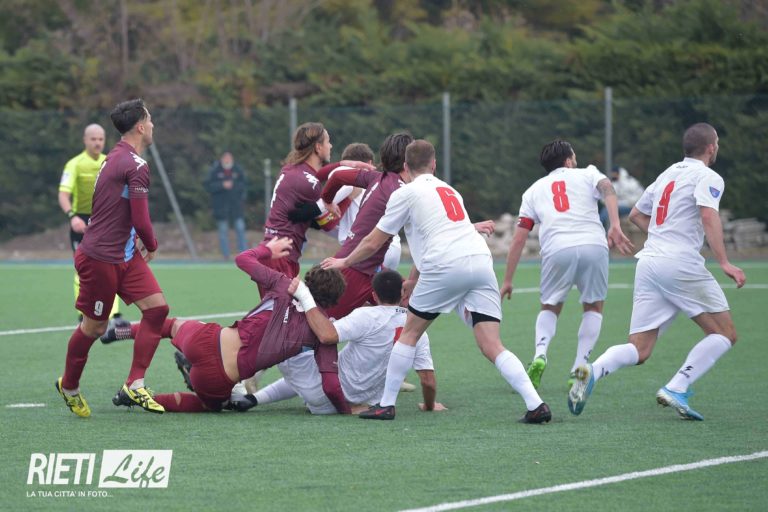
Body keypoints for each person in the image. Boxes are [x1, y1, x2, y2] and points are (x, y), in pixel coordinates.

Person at [322, 140, 551, 423]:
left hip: (444, 264)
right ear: (434, 164)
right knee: (492, 344)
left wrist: (344, 262)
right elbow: (434, 237)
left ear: (405, 166)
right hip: (481, 260)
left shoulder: (405, 193)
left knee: (409, 334)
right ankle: (535, 404)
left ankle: (386, 405)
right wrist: (413, 280)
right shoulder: (449, 190)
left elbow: (373, 241)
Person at [568, 123, 746, 420]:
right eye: (717, 143)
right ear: (711, 147)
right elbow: (708, 215)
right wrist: (724, 262)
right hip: (679, 263)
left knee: (639, 349)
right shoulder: (708, 176)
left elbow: (636, 214)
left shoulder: (667, 174)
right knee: (725, 334)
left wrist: (663, 237)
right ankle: (677, 386)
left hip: (650, 262)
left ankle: (591, 371)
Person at [104, 238, 350, 414]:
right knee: (212, 406)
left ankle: (120, 331)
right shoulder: (323, 333)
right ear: (334, 302)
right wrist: (346, 410)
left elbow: (242, 259)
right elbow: (331, 386)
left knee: (168, 325)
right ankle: (137, 398)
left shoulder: (283, 283)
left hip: (205, 339)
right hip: (217, 377)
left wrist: (267, 250)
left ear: (308, 279)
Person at [55, 99, 171, 417]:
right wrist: (152, 244)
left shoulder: (116, 156)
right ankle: (69, 386)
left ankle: (135, 384)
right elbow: (141, 219)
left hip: (125, 254)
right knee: (94, 328)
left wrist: (136, 241)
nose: (153, 125)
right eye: (150, 120)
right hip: (100, 259)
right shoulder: (135, 165)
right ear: (141, 127)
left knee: (157, 309)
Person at [500, 140, 633, 390]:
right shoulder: (588, 173)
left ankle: (540, 354)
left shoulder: (533, 191)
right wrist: (615, 224)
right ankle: (579, 367)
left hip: (557, 248)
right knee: (593, 306)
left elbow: (518, 239)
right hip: (594, 244)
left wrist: (508, 280)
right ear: (568, 160)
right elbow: (608, 188)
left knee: (550, 306)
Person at [231, 270, 444, 414]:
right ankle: (253, 399)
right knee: (311, 367)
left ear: (374, 294)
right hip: (362, 402)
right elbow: (428, 381)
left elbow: (327, 335)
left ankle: (235, 379)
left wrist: (304, 297)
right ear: (403, 293)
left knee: (294, 344)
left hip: (330, 395)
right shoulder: (418, 332)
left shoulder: (366, 315)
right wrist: (429, 405)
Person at [258, 122, 375, 295]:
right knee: (282, 311)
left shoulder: (291, 169)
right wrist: (330, 202)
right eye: (328, 141)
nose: (331, 146)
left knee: (280, 310)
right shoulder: (308, 182)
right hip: (280, 256)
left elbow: (317, 180)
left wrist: (343, 164)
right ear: (318, 147)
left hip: (276, 253)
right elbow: (307, 219)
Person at [319, 133, 414, 319]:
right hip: (355, 269)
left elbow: (337, 177)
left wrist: (327, 199)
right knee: (324, 327)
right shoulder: (401, 191)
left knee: (409, 306)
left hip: (368, 267)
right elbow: (372, 243)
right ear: (408, 163)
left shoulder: (376, 178)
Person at [58, 124, 126, 324]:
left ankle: (114, 314)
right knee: (83, 269)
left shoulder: (109, 162)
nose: (97, 143)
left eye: (101, 139)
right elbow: (63, 195)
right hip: (81, 220)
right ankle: (83, 312)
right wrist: (72, 217)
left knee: (111, 267)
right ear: (85, 140)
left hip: (105, 221)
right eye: (93, 139)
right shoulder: (74, 164)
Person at [204, 151, 248, 259]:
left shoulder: (238, 170)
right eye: (225, 158)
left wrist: (234, 186)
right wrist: (222, 185)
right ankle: (226, 255)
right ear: (222, 159)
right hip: (221, 207)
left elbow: (244, 185)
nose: (227, 160)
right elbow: (208, 186)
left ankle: (244, 254)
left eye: (229, 158)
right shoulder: (215, 171)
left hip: (236, 207)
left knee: (240, 228)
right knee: (223, 231)